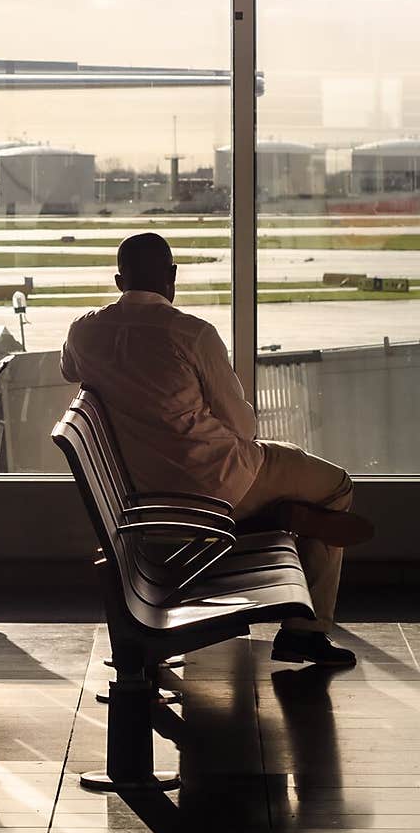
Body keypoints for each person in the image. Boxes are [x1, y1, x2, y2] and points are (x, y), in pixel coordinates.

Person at [60, 231, 373, 668]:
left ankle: (278, 515)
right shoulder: (192, 334)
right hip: (221, 481)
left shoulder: (83, 332)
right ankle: (306, 628)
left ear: (118, 281)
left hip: (144, 496)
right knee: (335, 487)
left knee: (289, 481)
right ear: (172, 277)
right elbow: (243, 427)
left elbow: (69, 368)